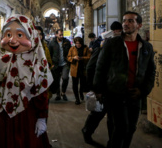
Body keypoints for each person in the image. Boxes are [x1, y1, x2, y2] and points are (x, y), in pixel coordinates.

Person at [0, 15, 53, 148]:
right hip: (2, 111)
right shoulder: (0, 56)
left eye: (20, 35)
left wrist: (42, 117)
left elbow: (41, 91)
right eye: (8, 34)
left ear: (31, 36)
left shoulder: (36, 61)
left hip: (26, 114)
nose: (13, 40)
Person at [94, 12, 156, 148]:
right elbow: (100, 67)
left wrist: (143, 90)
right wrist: (98, 90)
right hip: (115, 93)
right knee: (120, 128)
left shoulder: (146, 47)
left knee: (131, 128)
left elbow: (151, 71)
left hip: (135, 94)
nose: (125, 24)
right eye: (124, 21)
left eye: (130, 21)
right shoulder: (112, 43)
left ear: (139, 25)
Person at [82, 21, 122, 145]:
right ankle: (87, 131)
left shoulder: (121, 50)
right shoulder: (103, 47)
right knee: (98, 113)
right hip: (102, 89)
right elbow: (90, 67)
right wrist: (94, 89)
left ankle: (112, 142)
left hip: (115, 89)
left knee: (113, 118)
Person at [48, 29, 71, 101]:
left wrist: (69, 61)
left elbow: (70, 52)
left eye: (62, 35)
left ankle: (63, 93)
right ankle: (58, 94)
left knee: (65, 78)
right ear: (56, 35)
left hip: (65, 63)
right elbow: (50, 54)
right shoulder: (52, 43)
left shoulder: (67, 42)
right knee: (56, 80)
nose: (61, 36)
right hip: (56, 64)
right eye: (60, 35)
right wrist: (51, 63)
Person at [67, 37, 91, 105]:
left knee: (82, 83)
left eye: (79, 43)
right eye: (76, 43)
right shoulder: (72, 48)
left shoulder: (85, 48)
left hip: (83, 68)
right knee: (75, 84)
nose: (78, 45)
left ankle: (81, 93)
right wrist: (73, 58)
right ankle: (77, 98)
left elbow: (89, 57)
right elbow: (68, 57)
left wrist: (82, 58)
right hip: (75, 69)